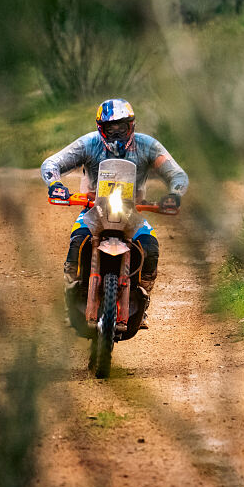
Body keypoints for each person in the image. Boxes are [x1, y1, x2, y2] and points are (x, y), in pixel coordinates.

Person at [41, 98, 188, 327]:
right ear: (102, 128)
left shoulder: (147, 145)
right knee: (76, 244)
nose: (117, 132)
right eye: (111, 127)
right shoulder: (89, 144)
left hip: (132, 214)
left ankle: (143, 298)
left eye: (122, 126)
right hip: (94, 212)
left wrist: (175, 193)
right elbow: (52, 163)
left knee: (150, 247)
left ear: (132, 125)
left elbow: (176, 174)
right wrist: (55, 184)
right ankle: (70, 299)